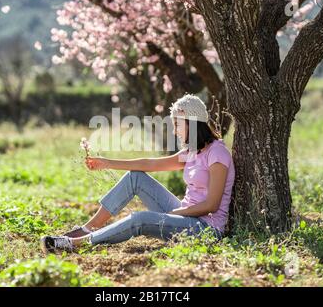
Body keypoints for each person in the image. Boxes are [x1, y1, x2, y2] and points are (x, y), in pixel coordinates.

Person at [41, 94, 235, 253]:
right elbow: (149, 164)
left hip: (205, 228)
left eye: (177, 124)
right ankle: (88, 228)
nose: (174, 131)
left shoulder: (217, 153)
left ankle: (75, 244)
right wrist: (107, 163)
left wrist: (176, 213)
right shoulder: (192, 151)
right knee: (136, 177)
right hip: (184, 216)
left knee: (140, 219)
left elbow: (212, 205)